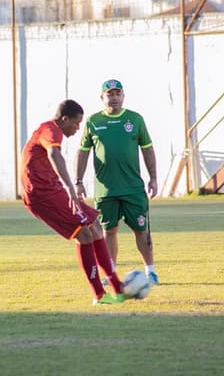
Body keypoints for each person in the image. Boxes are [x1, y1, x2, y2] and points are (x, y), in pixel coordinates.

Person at [20, 99, 128, 306]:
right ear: (64, 118)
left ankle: (117, 286)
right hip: (42, 194)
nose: (78, 128)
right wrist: (70, 186)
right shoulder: (51, 130)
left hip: (52, 189)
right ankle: (99, 295)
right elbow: (54, 153)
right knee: (84, 234)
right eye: (76, 123)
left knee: (95, 226)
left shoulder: (51, 130)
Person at [75, 79, 159, 285]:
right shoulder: (93, 122)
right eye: (109, 94)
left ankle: (151, 271)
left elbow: (147, 149)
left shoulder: (135, 119)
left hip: (133, 188)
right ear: (102, 97)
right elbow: (83, 153)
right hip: (106, 189)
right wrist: (78, 181)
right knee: (108, 231)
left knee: (141, 229)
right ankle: (110, 273)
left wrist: (154, 177)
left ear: (123, 96)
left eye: (117, 94)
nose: (114, 98)